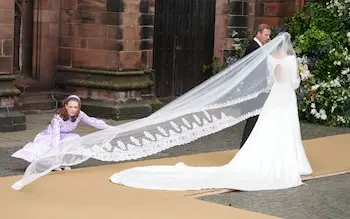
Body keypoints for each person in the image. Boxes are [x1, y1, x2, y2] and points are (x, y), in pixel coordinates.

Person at [108, 33, 313, 191]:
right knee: (287, 128)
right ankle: (293, 161)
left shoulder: (271, 59)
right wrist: (299, 77)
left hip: (274, 96)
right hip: (286, 96)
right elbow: (294, 82)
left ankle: (267, 156)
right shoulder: (290, 60)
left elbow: (269, 81)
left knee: (269, 126)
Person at [11, 95, 112, 171]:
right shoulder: (58, 117)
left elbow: (92, 122)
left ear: (79, 108)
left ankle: (63, 162)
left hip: (64, 135)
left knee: (75, 138)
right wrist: (56, 151)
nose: (73, 110)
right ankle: (53, 163)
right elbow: (56, 135)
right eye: (70, 107)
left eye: (75, 107)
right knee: (50, 146)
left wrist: (109, 128)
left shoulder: (80, 114)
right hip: (51, 136)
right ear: (66, 106)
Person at [240, 24, 271, 149]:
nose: (268, 37)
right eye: (266, 35)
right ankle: (245, 148)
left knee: (256, 119)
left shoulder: (258, 47)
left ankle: (250, 147)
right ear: (258, 33)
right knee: (253, 119)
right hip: (254, 90)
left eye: (269, 35)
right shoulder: (253, 48)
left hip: (257, 90)